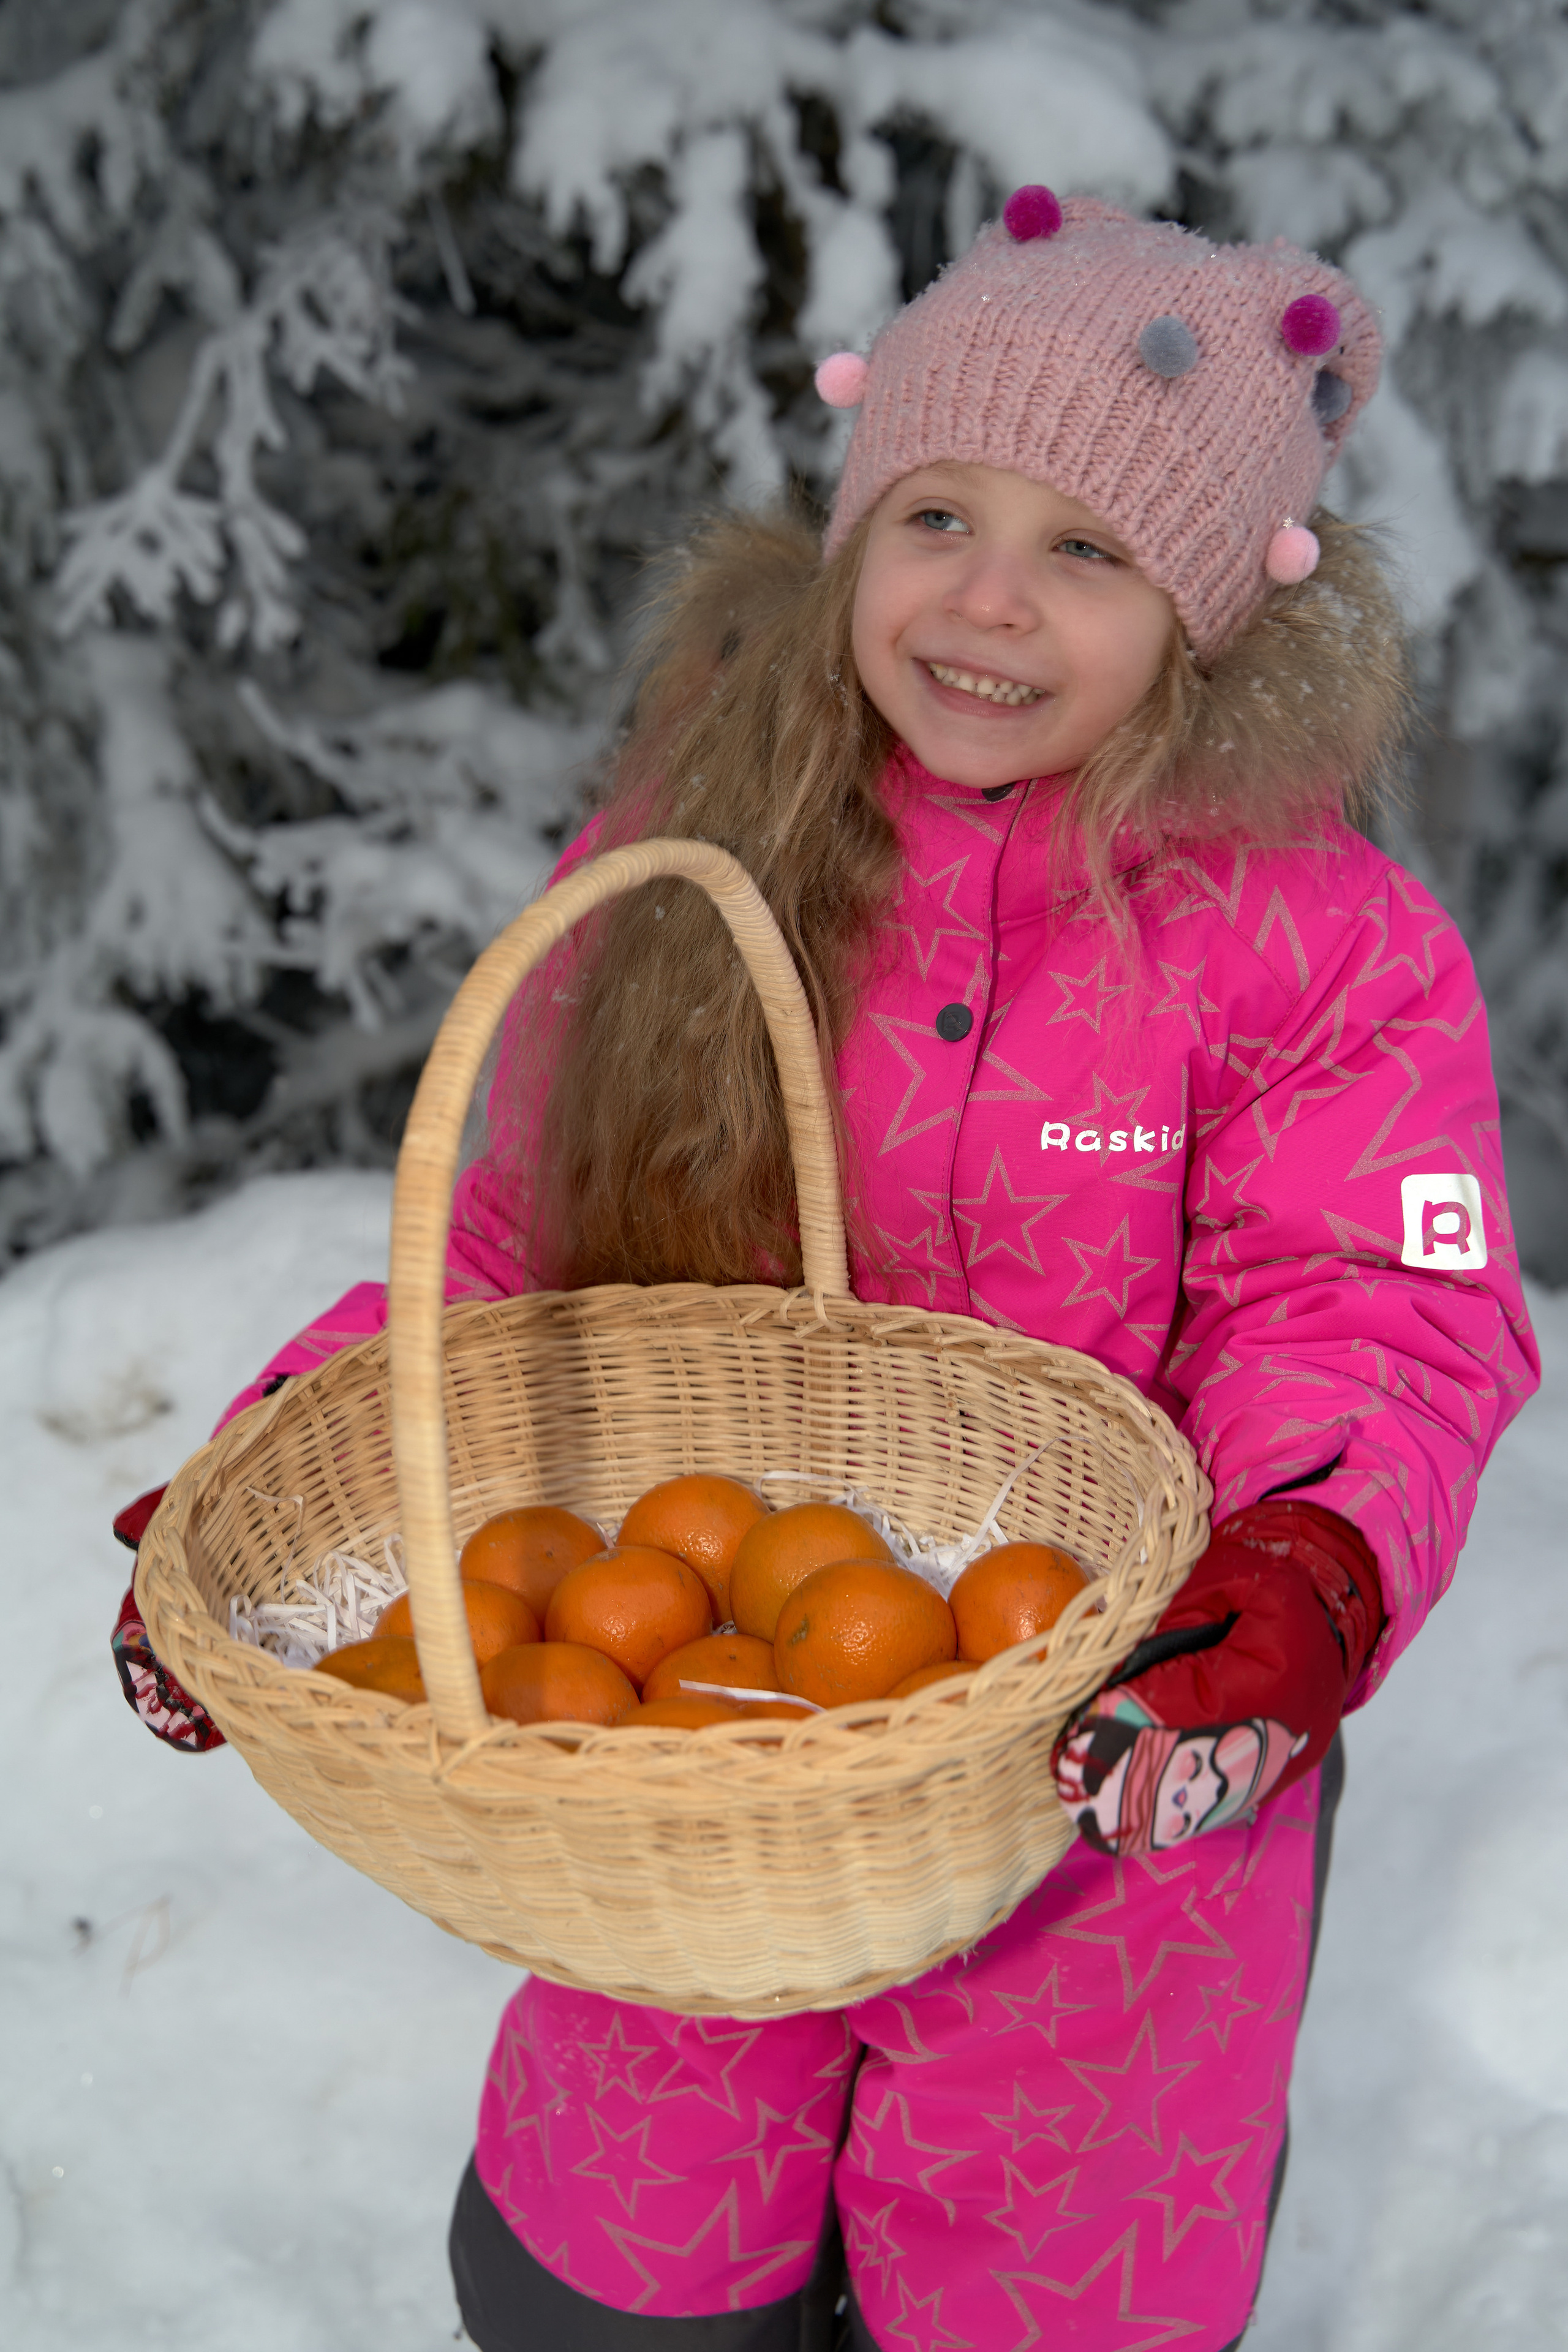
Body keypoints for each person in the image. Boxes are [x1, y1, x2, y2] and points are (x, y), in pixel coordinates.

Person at [112, 191, 1539, 2350]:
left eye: (1089, 550)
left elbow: (1374, 1302)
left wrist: (1308, 1562)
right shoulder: (713, 838)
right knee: (627, 2258)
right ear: (853, 524)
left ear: (1214, 613)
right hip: (687, 1791)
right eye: (937, 514)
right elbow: (514, 1238)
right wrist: (290, 1469)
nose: (985, 598)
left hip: (1110, 1799)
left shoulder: (1313, 940)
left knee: (1044, 2271)